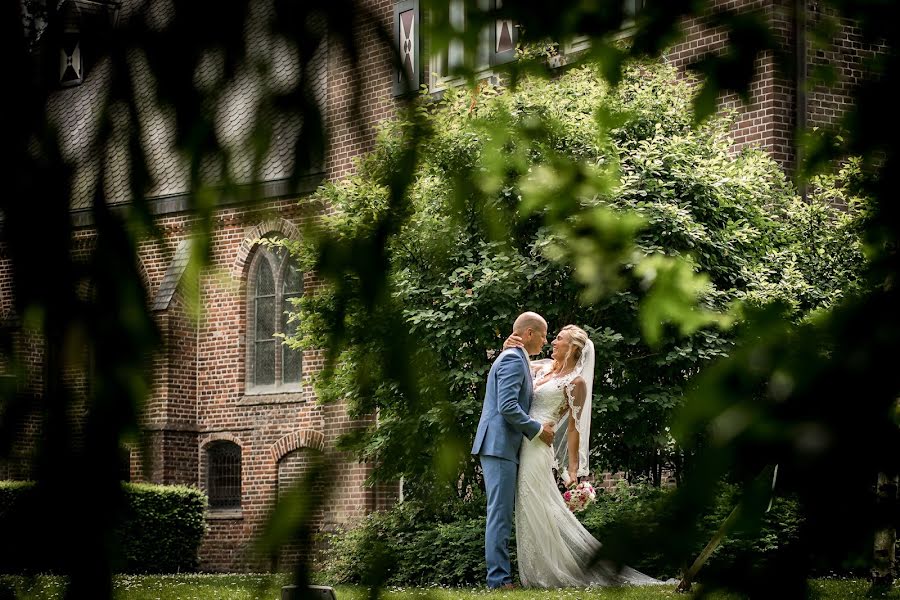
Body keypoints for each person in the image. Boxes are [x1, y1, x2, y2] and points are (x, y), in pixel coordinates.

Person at [505, 325, 663, 587]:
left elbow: (574, 428)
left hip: (538, 447)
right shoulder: (543, 367)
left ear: (574, 348)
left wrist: (574, 471)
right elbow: (515, 363)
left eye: (559, 339)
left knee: (535, 504)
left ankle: (550, 571)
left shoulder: (576, 383)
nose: (553, 342)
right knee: (531, 505)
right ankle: (540, 568)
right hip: (522, 438)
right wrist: (510, 346)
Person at [471, 311, 556, 589]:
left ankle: (501, 577)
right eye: (543, 335)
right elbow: (507, 406)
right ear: (529, 333)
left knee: (502, 512)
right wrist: (537, 429)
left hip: (503, 446)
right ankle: (498, 580)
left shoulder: (517, 357)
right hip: (498, 446)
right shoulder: (511, 359)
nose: (545, 340)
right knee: (500, 513)